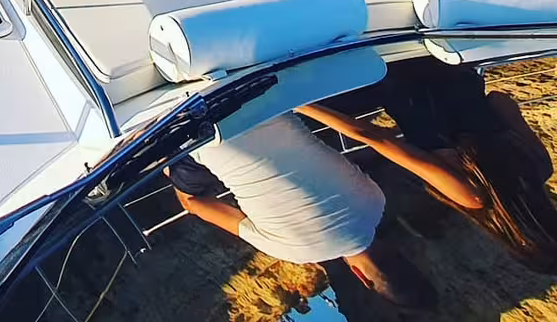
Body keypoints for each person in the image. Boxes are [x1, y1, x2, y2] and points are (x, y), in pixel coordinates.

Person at [302, 58, 557, 272]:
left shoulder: (541, 166)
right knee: (305, 114)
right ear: (517, 242)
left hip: (452, 66)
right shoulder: (471, 194)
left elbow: (500, 100)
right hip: (396, 78)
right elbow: (376, 138)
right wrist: (300, 104)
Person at [169, 114, 434, 309]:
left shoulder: (375, 200)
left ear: (397, 251)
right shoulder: (293, 252)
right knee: (193, 193)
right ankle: (169, 149)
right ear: (361, 277)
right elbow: (196, 205)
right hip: (203, 136)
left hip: (263, 103)